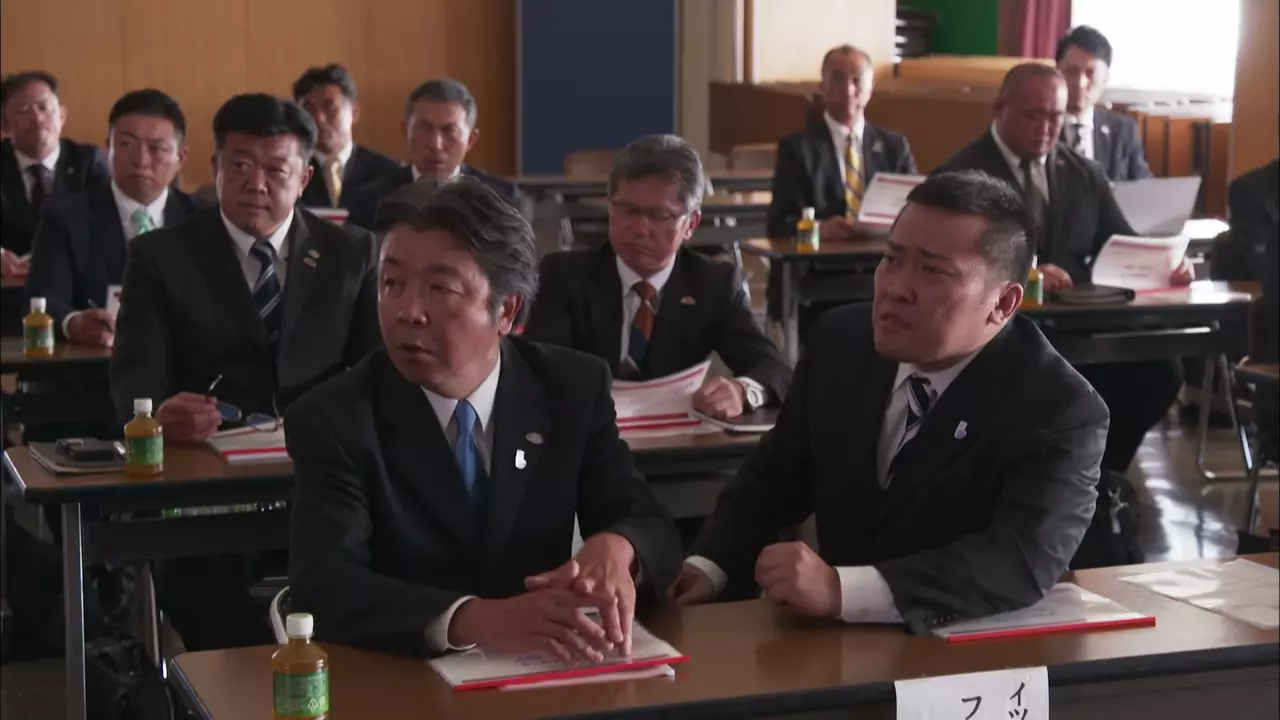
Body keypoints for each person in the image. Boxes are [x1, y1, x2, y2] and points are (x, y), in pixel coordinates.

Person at [668, 171, 1109, 630]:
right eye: (893, 259)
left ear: (1003, 303)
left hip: (964, 648)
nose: (896, 288)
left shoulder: (1059, 407)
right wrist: (710, 564)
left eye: (933, 271)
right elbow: (776, 475)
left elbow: (1019, 560)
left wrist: (843, 590)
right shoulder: (841, 341)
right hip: (828, 641)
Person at [286, 177, 682, 658]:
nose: (408, 312)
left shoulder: (570, 388)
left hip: (545, 671)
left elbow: (648, 522)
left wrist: (620, 547)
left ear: (507, 310)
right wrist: (472, 620)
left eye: (440, 288)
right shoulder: (334, 418)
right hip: (400, 674)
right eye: (392, 284)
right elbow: (325, 587)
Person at [109, 93, 382, 650]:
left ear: (304, 178)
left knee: (364, 572)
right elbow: (135, 377)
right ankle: (244, 685)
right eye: (239, 165)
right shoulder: (161, 255)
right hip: (206, 480)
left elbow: (376, 373)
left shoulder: (350, 252)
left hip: (321, 476)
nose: (256, 184)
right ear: (215, 167)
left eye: (276, 170)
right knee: (201, 590)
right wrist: (158, 415)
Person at [934, 64, 1190, 474]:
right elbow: (951, 260)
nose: (1045, 128)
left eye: (1055, 117)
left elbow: (1121, 243)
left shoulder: (1084, 172)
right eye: (1032, 116)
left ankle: (1100, 478)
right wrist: (1028, 270)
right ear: (1000, 109)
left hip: (1078, 322)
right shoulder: (961, 174)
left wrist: (1167, 265)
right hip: (1000, 326)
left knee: (1160, 369)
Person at [523, 134, 791, 419]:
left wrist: (742, 391)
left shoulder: (714, 283)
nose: (640, 229)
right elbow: (535, 370)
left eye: (659, 215)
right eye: (627, 210)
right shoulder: (564, 276)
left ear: (691, 224)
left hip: (679, 440)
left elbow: (774, 369)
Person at [25, 89, 205, 348]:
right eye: (126, 144)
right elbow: (43, 301)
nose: (141, 160)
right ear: (108, 147)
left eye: (157, 149)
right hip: (96, 365)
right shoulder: (66, 218)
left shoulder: (203, 220)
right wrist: (74, 323)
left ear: (180, 158)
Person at [765, 45, 917, 241]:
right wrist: (819, 229)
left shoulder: (894, 146)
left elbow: (916, 211)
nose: (848, 90)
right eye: (838, 79)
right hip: (824, 255)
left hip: (881, 252)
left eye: (857, 80)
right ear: (823, 87)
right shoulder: (797, 149)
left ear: (870, 89)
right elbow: (778, 225)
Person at [345, 78, 519, 229]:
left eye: (449, 131)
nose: (436, 145)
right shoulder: (370, 201)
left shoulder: (501, 200)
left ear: (471, 140)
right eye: (423, 128)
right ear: (406, 131)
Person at [1, 71, 110, 276]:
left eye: (44, 107)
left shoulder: (88, 161)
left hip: (75, 280)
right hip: (10, 284)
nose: (37, 118)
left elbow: (106, 222)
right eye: (24, 110)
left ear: (61, 115)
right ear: (4, 124)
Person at [292, 64, 402, 208]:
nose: (319, 118)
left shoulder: (389, 173)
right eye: (308, 109)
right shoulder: (292, 171)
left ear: (353, 113)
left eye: (329, 107)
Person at [1055, 26, 1151, 182]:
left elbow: (1144, 187)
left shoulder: (1123, 130)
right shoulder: (1039, 128)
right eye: (1071, 71)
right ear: (1056, 73)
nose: (1080, 83)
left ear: (1105, 79)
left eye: (1090, 73)